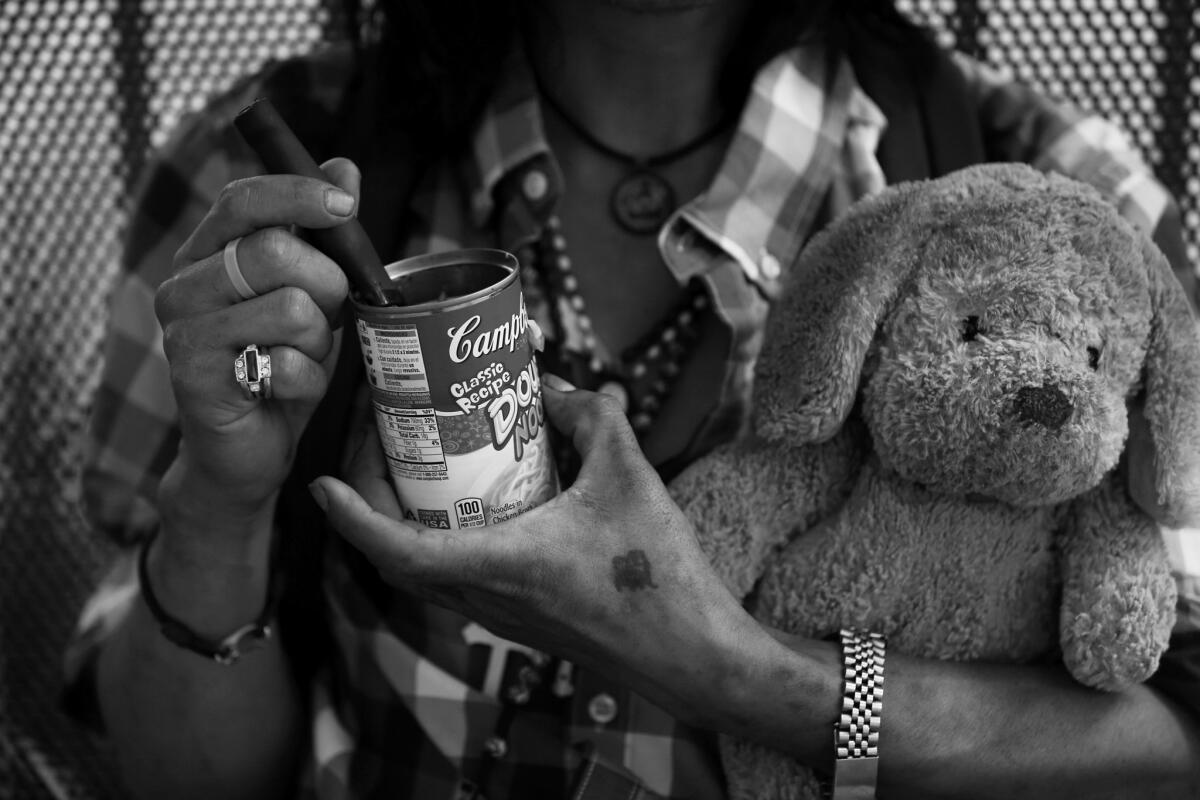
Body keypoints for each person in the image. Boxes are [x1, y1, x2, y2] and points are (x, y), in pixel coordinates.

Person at [66, 1, 1200, 798]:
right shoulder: (276, 184)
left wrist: (721, 665)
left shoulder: (1051, 205)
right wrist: (220, 503)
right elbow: (179, 774)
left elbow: (1174, 738)